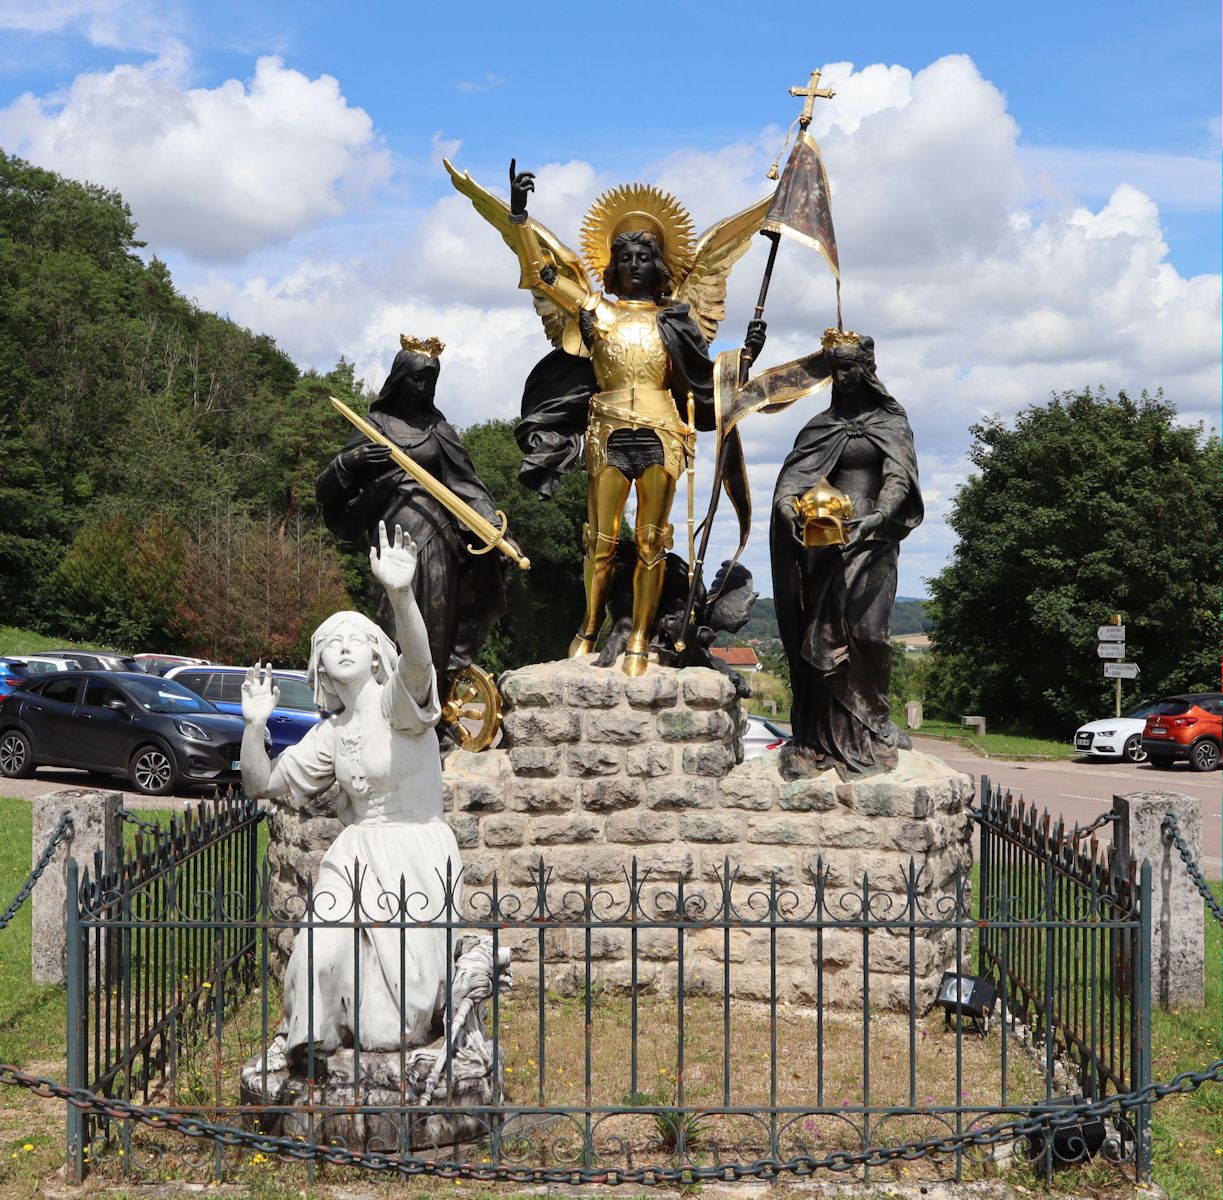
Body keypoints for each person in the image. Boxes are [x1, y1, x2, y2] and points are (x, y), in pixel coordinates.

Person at [446, 159, 768, 676]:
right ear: (611, 264)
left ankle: (639, 636)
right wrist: (519, 220)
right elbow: (543, 273)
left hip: (663, 432)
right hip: (608, 428)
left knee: (651, 540)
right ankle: (590, 626)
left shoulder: (676, 319)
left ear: (660, 263)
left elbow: (704, 378)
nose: (635, 263)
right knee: (599, 539)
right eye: (625, 255)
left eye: (646, 255)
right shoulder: (595, 311)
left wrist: (744, 358)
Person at [240, 522, 460, 1057]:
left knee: (393, 1030)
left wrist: (401, 594)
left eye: (353, 638)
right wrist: (254, 725)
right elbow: (263, 784)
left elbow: (420, 664)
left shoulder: (397, 706)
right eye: (329, 643)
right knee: (316, 955)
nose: (341, 647)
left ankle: (383, 1031)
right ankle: (311, 1053)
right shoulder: (331, 734)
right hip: (355, 853)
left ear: (375, 653)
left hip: (413, 854)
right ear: (319, 666)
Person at [316, 337, 506, 711]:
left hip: (439, 540)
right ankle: (393, 709)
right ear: (399, 378)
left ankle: (432, 714)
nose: (422, 387)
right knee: (394, 625)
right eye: (416, 378)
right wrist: (352, 461)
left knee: (436, 626)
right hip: (392, 539)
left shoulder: (437, 428)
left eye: (430, 380)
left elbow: (466, 485)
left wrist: (491, 525)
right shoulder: (373, 426)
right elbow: (325, 490)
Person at [769, 331, 923, 779]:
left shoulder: (891, 422)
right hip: (825, 546)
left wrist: (877, 518)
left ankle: (875, 722)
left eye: (851, 366)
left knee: (871, 635)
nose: (843, 375)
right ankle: (819, 737)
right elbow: (792, 480)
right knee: (823, 641)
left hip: (873, 542)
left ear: (868, 368)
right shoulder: (821, 426)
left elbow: (898, 477)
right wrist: (786, 508)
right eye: (836, 367)